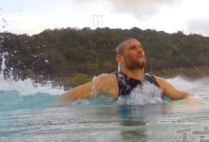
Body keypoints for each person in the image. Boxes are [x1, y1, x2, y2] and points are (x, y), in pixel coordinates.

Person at [56, 37, 192, 104]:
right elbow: (66, 98)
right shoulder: (109, 81)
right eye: (133, 48)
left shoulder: (158, 82)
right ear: (119, 58)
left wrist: (193, 100)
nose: (140, 50)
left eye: (141, 47)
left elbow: (186, 95)